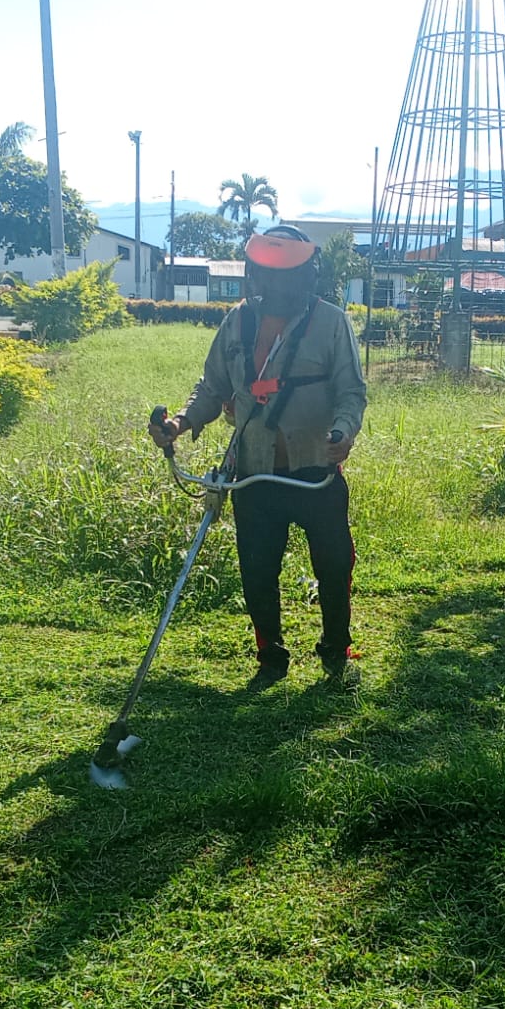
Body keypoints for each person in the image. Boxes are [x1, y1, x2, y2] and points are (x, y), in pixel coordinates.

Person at [148, 224, 367, 691]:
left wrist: (343, 432)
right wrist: (180, 423)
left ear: (307, 275)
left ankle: (335, 649)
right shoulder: (238, 322)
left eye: (288, 275)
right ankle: (271, 657)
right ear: (255, 274)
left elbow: (351, 391)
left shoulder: (331, 323)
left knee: (334, 565)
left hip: (316, 471)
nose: (278, 284)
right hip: (254, 474)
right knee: (257, 569)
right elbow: (211, 388)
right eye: (269, 274)